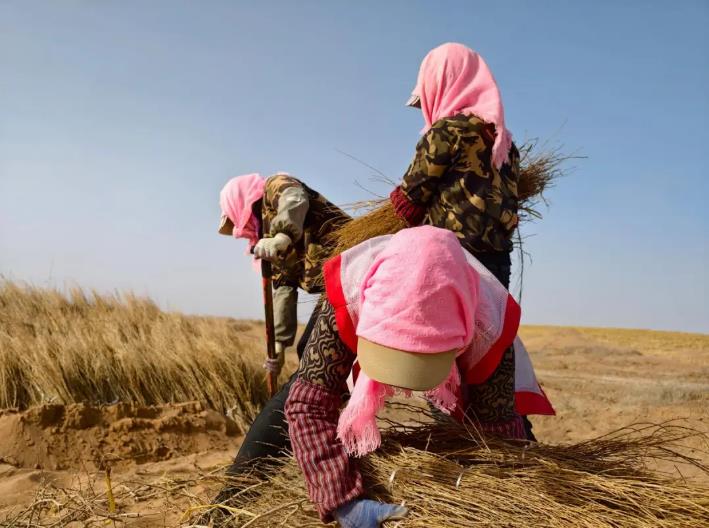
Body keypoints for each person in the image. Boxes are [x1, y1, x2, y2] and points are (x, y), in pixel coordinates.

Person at [285, 226, 554, 526]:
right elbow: (307, 404)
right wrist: (343, 502)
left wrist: (497, 496)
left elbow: (497, 435)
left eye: (423, 357)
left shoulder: (487, 328)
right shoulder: (350, 293)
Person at [388, 42, 535, 437]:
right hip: (496, 267)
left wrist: (397, 208)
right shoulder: (505, 143)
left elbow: (410, 201)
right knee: (489, 361)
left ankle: (462, 445)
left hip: (452, 266)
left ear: (442, 83)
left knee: (443, 361)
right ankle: (514, 442)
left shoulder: (446, 132)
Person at [218, 172, 349, 376]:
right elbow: (283, 286)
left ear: (239, 203)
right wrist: (279, 345)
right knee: (309, 349)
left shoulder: (273, 186)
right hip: (334, 286)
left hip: (350, 264)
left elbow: (294, 196)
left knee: (313, 351)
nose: (241, 228)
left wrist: (282, 235)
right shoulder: (266, 236)